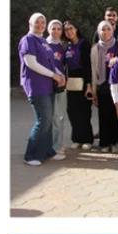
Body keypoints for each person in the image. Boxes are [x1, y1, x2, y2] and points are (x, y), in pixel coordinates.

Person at [20, 13, 66, 166]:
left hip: (48, 86)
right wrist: (54, 75)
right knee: (43, 120)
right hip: (36, 86)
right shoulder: (28, 40)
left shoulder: (42, 41)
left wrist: (59, 75)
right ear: (30, 23)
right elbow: (31, 63)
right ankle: (31, 155)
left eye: (42, 22)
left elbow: (51, 63)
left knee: (48, 120)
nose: (40, 25)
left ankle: (47, 151)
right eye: (37, 22)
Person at [61, 20, 94, 151]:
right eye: (66, 29)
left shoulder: (84, 44)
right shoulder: (66, 45)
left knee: (84, 112)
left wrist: (89, 85)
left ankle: (87, 140)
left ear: (76, 29)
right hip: (71, 82)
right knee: (72, 111)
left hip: (84, 80)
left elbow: (88, 66)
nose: (69, 31)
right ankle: (76, 139)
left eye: (71, 28)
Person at [44, 19, 69, 158]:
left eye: (58, 29)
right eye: (53, 28)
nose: (56, 31)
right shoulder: (43, 44)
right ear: (48, 29)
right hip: (46, 85)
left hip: (60, 85)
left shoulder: (64, 46)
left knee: (59, 116)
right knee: (48, 117)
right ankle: (49, 145)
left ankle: (58, 145)